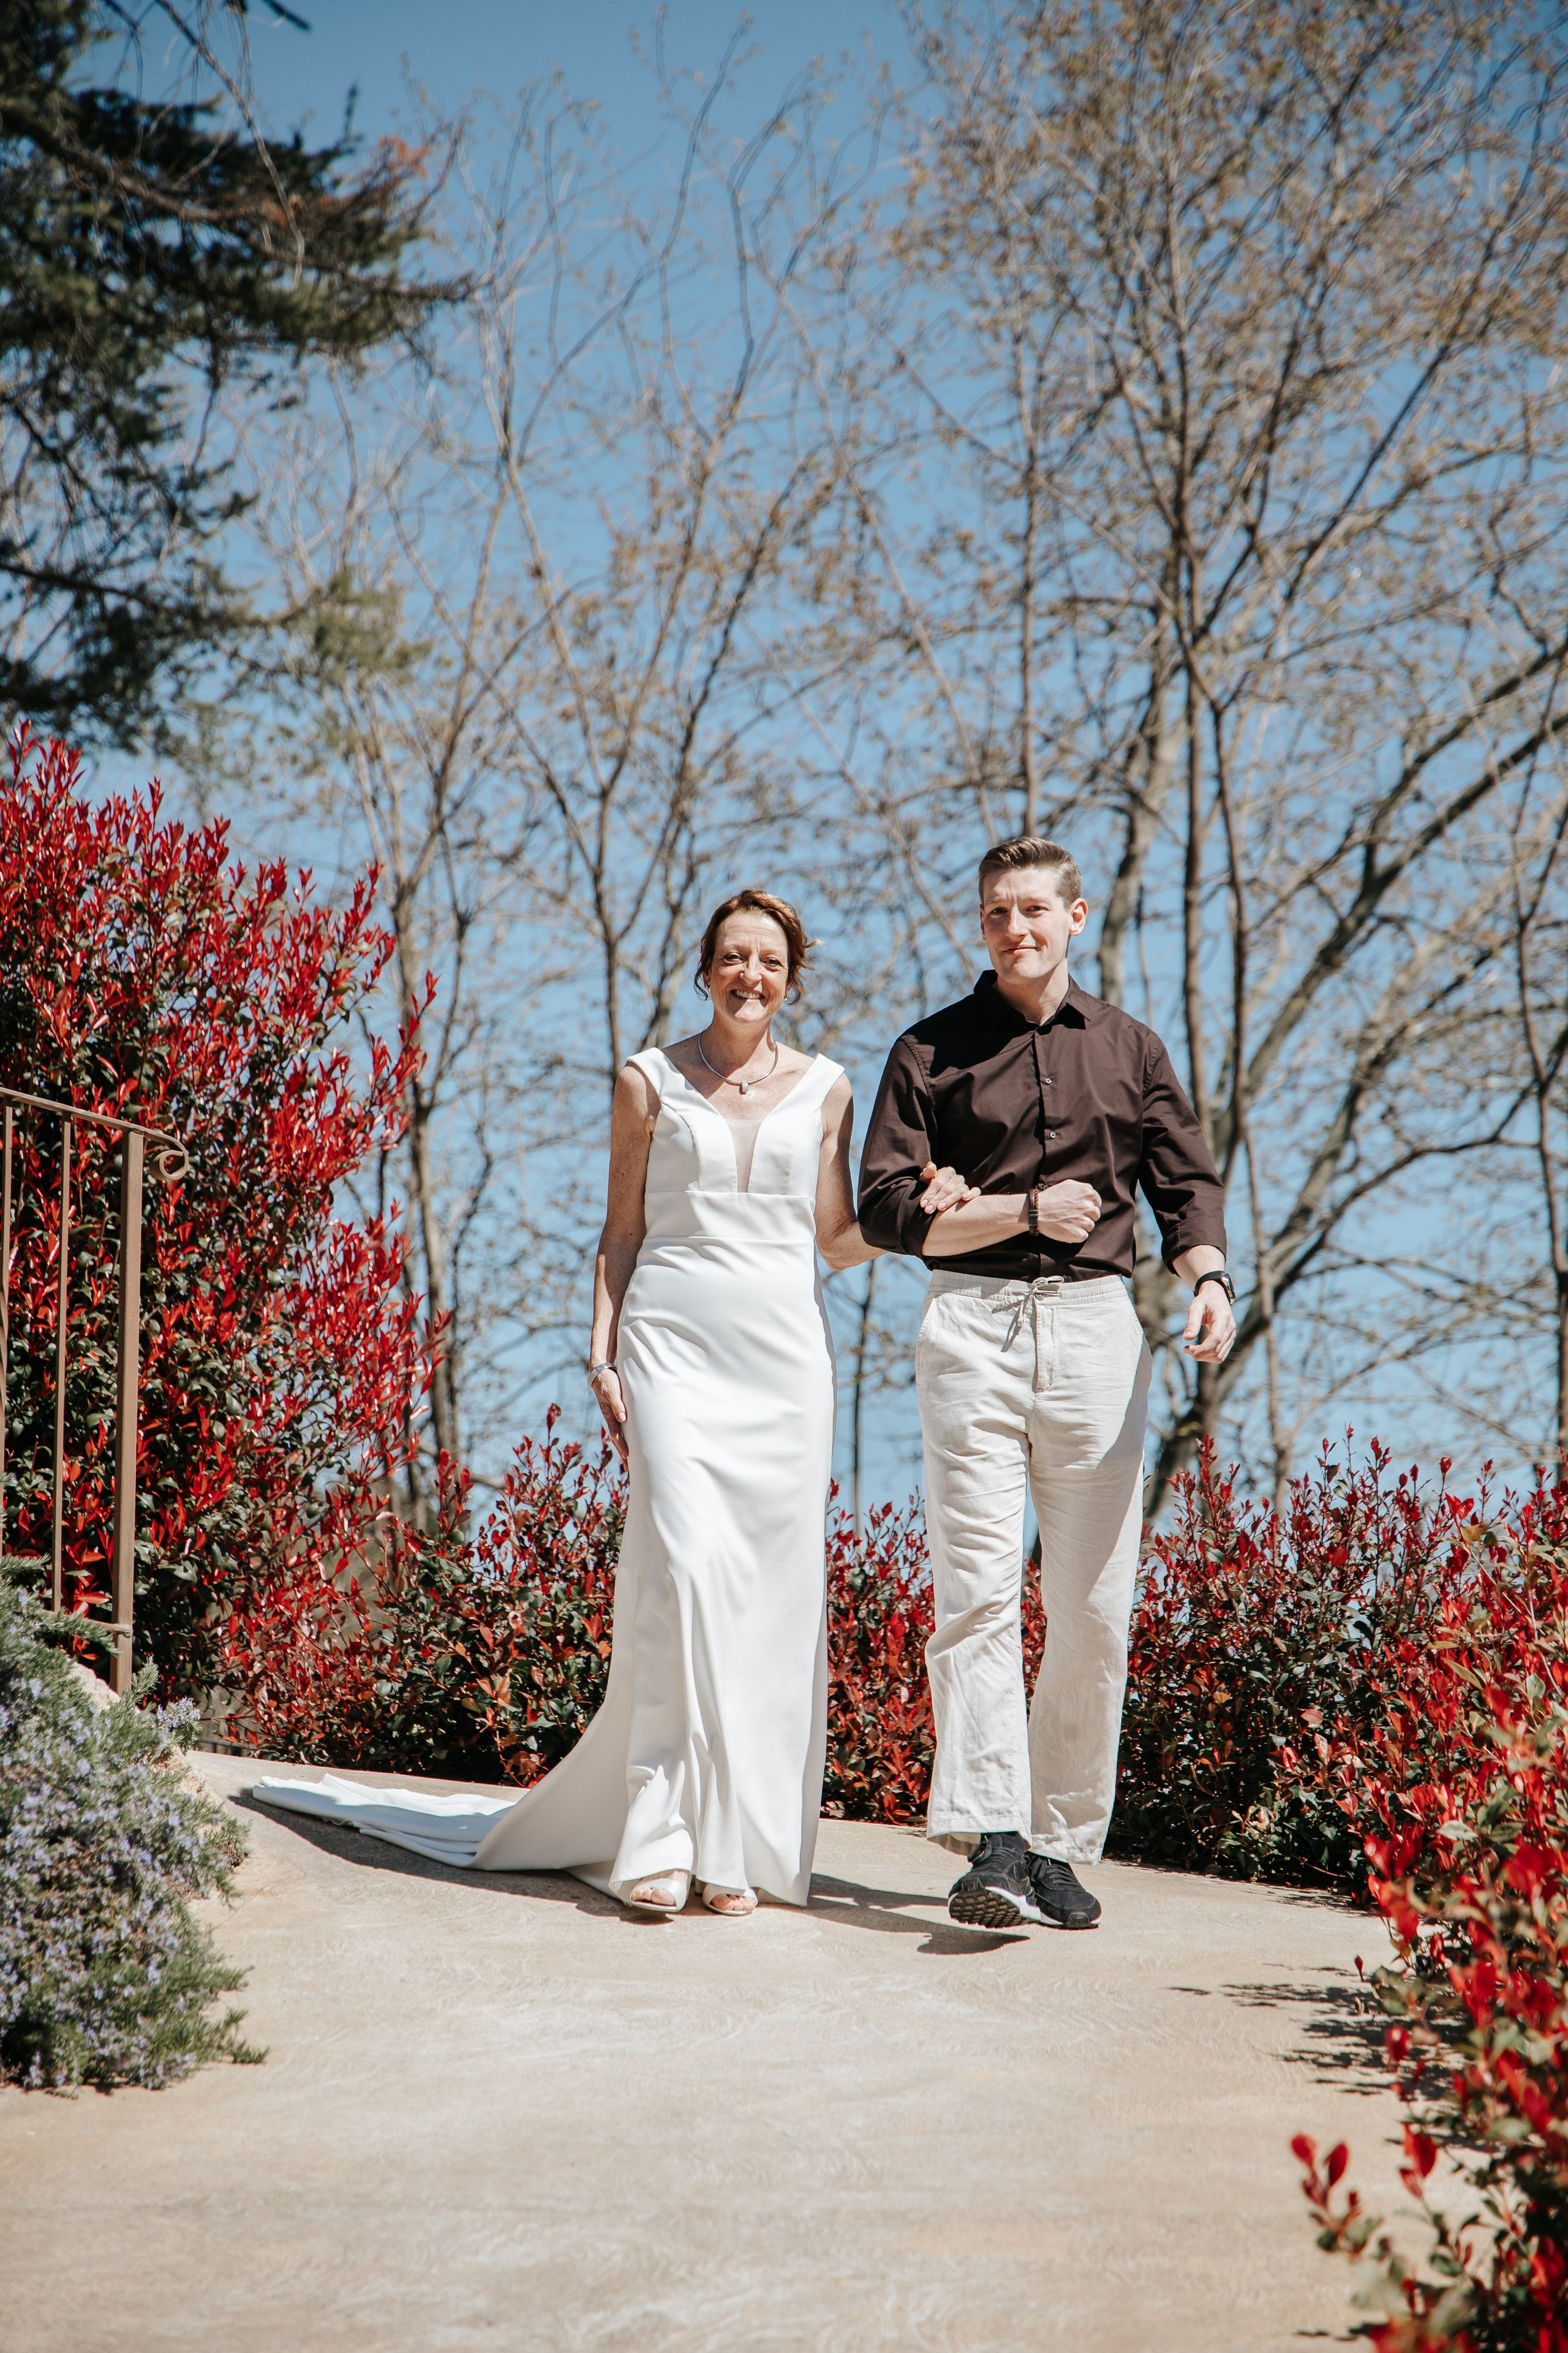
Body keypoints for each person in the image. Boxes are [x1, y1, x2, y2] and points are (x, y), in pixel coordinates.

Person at [256, 888, 970, 1917]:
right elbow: (622, 1232)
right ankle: (659, 1824)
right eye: (733, 956)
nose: (750, 975)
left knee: (769, 1594)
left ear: (791, 976)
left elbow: (834, 1234)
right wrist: (603, 1352)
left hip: (783, 1366)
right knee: (681, 1573)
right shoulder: (647, 1080)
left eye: (769, 960)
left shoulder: (828, 1088)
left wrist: (922, 1215)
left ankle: (736, 1844)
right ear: (705, 966)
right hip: (671, 1347)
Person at [857, 837, 1235, 1933]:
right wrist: (993, 1213)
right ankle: (993, 1837)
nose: (1013, 929)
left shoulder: (1130, 1047)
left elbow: (1185, 1185)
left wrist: (1208, 1280)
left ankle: (1061, 1844)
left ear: (1075, 916)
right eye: (993, 914)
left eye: (1032, 910)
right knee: (974, 1592)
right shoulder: (929, 1050)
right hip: (968, 1325)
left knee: (1094, 1609)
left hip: (1094, 1333)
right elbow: (882, 1204)